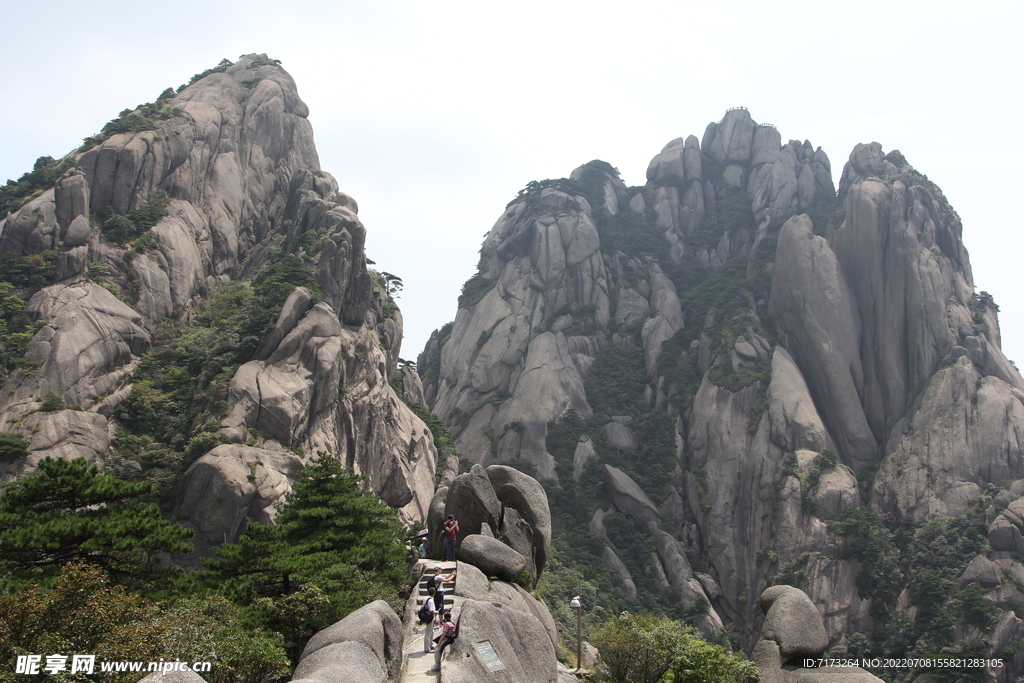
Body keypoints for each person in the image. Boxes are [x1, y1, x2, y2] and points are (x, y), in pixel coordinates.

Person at [421, 587, 437, 653]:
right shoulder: (431, 600)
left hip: (426, 616)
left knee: (431, 631)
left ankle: (431, 644)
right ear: (434, 593)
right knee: (428, 633)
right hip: (430, 617)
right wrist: (437, 612)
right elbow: (431, 610)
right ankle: (427, 649)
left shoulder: (426, 598)